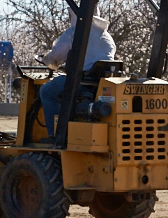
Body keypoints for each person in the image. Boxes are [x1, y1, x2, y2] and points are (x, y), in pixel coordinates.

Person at [38, 9, 116, 139]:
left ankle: (55, 135)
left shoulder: (75, 32)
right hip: (99, 84)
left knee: (46, 91)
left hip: (81, 83)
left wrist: (46, 58)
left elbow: (56, 56)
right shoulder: (107, 36)